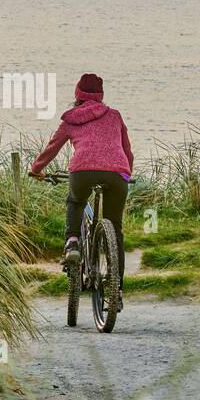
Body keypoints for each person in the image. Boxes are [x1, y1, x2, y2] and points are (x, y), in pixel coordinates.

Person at [29, 72, 133, 280]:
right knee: (116, 227)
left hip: (82, 171)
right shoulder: (114, 116)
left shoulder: (70, 118)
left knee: (75, 201)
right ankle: (117, 287)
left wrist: (36, 169)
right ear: (101, 96)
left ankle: (73, 243)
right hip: (117, 173)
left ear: (77, 94)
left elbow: (52, 148)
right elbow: (127, 149)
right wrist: (126, 171)